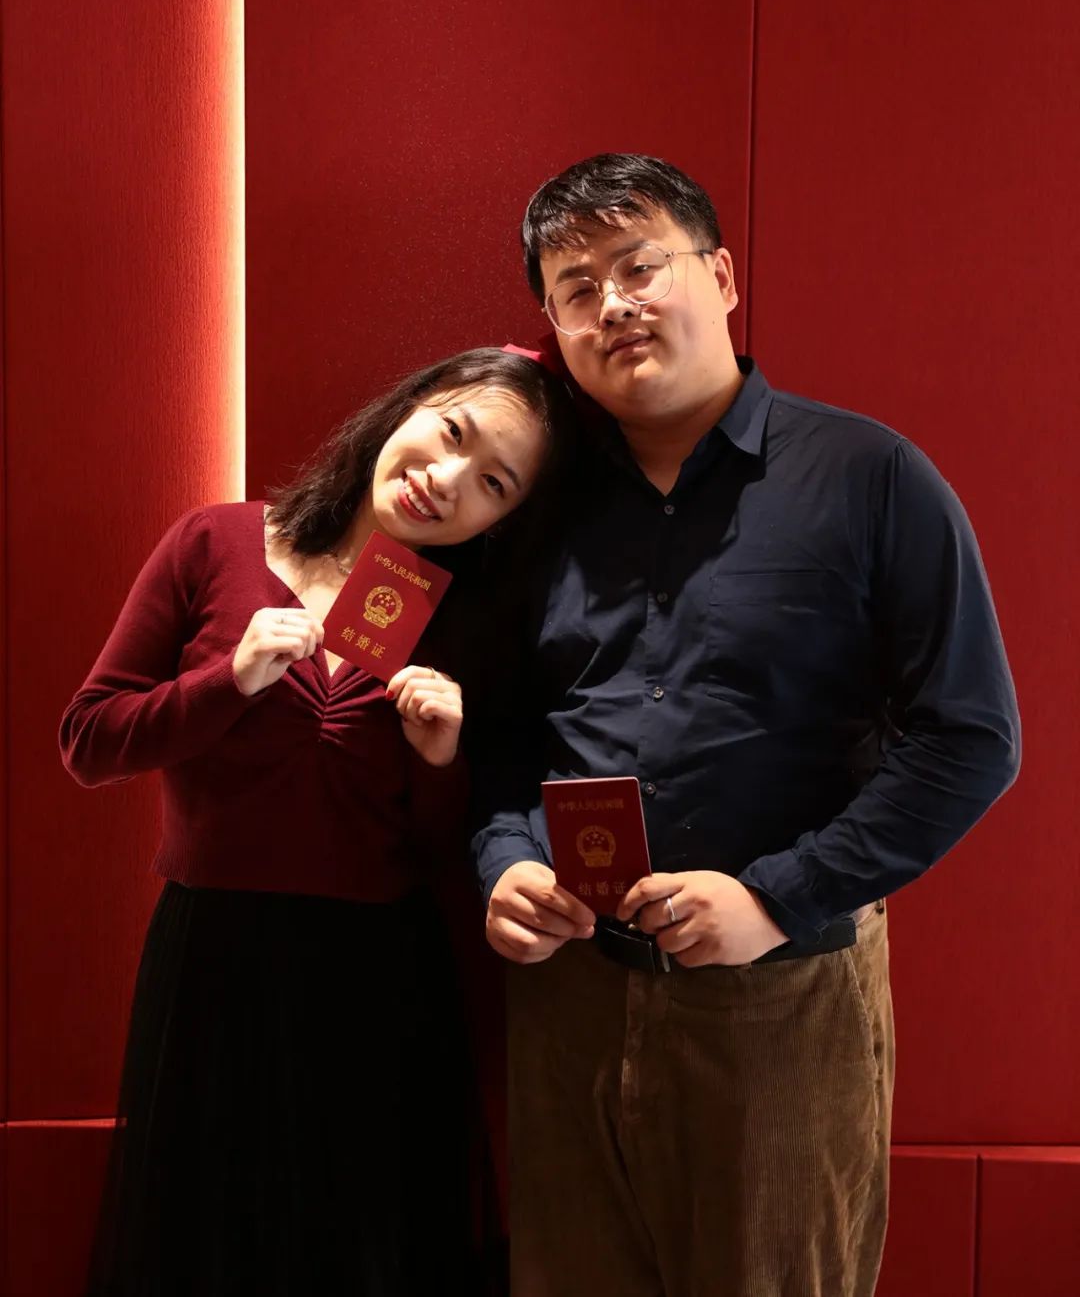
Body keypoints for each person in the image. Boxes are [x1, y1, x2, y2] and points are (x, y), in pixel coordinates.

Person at [472, 154, 1021, 1297]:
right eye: (577, 289)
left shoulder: (870, 477)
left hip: (781, 1001)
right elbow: (504, 733)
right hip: (570, 996)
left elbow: (971, 739)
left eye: (640, 268)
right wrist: (506, 860)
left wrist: (776, 898)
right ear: (556, 330)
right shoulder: (540, 507)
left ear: (720, 277)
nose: (612, 305)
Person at [60, 346, 570, 1297]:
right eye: (451, 432)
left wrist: (440, 760)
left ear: (504, 518)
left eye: (493, 483)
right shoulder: (215, 542)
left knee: (358, 1249)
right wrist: (228, 681)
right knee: (208, 1246)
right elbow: (89, 741)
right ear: (412, 405)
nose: (446, 479)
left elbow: (437, 850)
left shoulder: (467, 622)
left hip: (376, 977)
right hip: (214, 959)